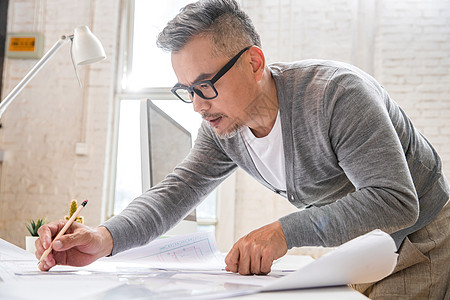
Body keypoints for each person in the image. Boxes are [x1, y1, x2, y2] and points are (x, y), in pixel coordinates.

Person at [36, 0, 449, 298]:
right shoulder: (224, 128)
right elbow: (176, 193)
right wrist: (104, 237)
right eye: (187, 90)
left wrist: (283, 231)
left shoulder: (336, 96)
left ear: (253, 63)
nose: (198, 105)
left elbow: (396, 200)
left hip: (421, 239)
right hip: (365, 248)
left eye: (205, 85)